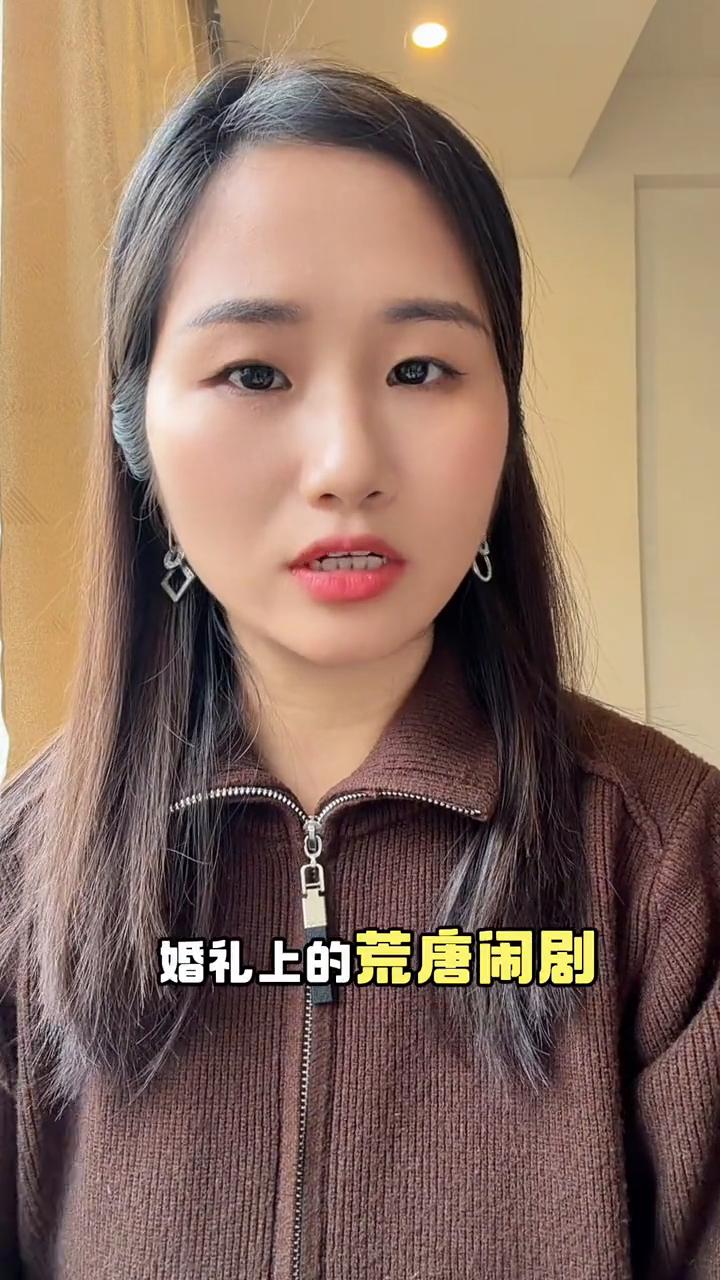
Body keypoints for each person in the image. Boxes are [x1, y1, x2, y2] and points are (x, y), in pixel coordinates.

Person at [0, 52, 718, 1280]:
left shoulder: (666, 860)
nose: (346, 461)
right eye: (255, 372)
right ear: (137, 433)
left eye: (420, 369)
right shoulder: (23, 879)